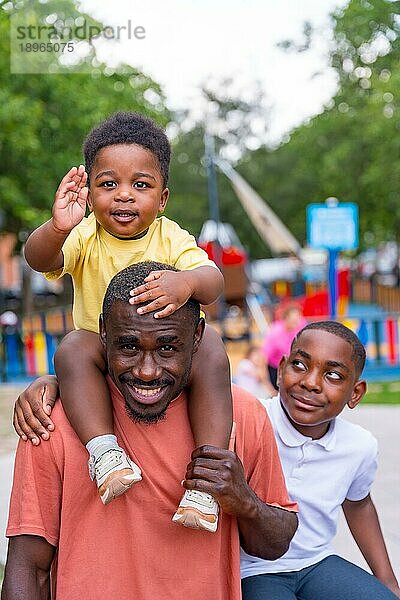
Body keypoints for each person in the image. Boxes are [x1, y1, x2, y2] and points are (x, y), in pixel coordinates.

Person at [2, 261, 298, 600]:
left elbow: (275, 545)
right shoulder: (50, 420)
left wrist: (243, 500)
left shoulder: (242, 415)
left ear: (198, 337)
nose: (146, 371)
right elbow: (27, 566)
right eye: (128, 346)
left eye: (167, 348)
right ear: (102, 332)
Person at [18, 112, 231, 531]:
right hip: (108, 354)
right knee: (73, 346)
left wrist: (185, 282)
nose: (124, 196)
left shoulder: (170, 237)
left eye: (141, 185)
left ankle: (206, 483)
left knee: (212, 348)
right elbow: (39, 259)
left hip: (167, 353)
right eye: (108, 184)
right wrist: (58, 228)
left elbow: (214, 281)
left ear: (163, 198)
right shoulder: (85, 234)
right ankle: (104, 454)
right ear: (91, 192)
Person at [241, 320, 400, 600]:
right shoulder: (251, 422)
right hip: (254, 569)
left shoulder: (359, 446)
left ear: (355, 393)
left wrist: (387, 580)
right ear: (280, 371)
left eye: (334, 376)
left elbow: (359, 504)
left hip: (316, 562)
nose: (310, 383)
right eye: (300, 365)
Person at [261, 303, 306, 393]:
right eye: (293, 320)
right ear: (286, 319)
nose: (296, 323)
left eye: (298, 320)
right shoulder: (275, 332)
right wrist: (267, 384)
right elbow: (263, 358)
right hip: (275, 368)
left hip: (292, 365)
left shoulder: (301, 326)